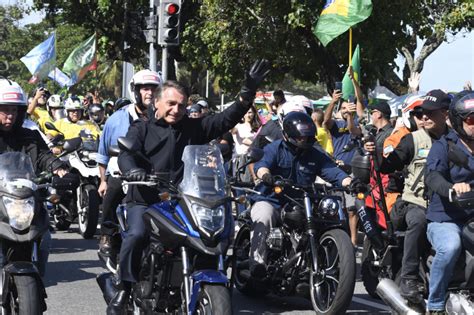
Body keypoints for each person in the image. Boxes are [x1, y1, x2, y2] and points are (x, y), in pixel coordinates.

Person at [108, 60, 271, 314]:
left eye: (181, 105)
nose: (176, 109)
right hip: (146, 198)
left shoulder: (193, 127)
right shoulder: (141, 127)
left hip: (181, 200)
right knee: (137, 234)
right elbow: (126, 153)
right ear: (157, 103)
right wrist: (132, 170)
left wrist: (248, 90)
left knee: (210, 235)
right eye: (171, 104)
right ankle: (125, 287)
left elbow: (226, 119)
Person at [368, 89, 451, 302]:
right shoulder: (411, 140)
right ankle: (409, 277)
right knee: (419, 220)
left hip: (450, 202)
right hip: (416, 202)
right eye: (421, 113)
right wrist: (374, 152)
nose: (424, 117)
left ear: (446, 114)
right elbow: (387, 166)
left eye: (430, 113)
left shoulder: (457, 140)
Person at [249, 112, 353, 277]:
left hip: (301, 202)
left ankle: (311, 265)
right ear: (288, 135)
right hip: (272, 200)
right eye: (300, 138)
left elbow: (333, 172)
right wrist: (267, 176)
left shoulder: (315, 153)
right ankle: (257, 263)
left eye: (307, 137)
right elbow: (261, 166)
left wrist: (351, 183)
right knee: (264, 215)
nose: (304, 141)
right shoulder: (274, 148)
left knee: (323, 221)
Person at [0, 78, 70, 275]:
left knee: (44, 236)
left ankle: (37, 278)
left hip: (24, 198)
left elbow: (43, 156)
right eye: (5, 110)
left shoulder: (29, 135)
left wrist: (59, 169)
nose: (10, 116)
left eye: (14, 111)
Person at [97, 69, 162, 256]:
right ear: (135, 91)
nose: (149, 93)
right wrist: (103, 181)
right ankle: (107, 233)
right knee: (113, 188)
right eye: (145, 89)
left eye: (154, 89)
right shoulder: (116, 120)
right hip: (123, 171)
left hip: (157, 174)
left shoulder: (165, 117)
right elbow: (103, 155)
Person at [424, 92, 474, 314]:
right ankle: (434, 304)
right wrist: (452, 188)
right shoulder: (444, 146)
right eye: (471, 119)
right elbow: (433, 175)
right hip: (446, 217)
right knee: (450, 246)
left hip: (471, 216)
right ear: (457, 120)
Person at [323, 66, 365, 246]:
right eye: (345, 107)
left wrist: (354, 81)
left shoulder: (357, 121)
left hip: (353, 170)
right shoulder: (335, 122)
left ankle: (353, 241)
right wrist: (333, 101)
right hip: (336, 169)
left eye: (350, 105)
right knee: (334, 207)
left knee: (351, 208)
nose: (348, 107)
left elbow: (353, 130)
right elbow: (325, 121)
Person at [362, 102, 394, 230]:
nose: (371, 115)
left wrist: (375, 150)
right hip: (375, 184)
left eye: (372, 112)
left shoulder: (391, 133)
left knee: (385, 221)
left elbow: (389, 155)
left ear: (379, 114)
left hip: (385, 185)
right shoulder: (376, 132)